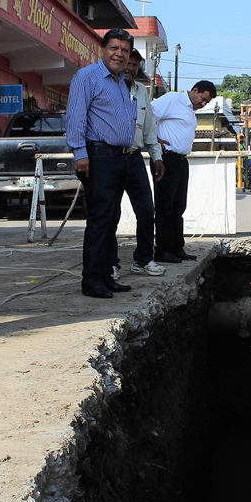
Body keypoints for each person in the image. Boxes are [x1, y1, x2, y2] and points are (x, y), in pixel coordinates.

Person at [65, 28, 146, 299]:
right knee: (100, 219)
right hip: (98, 155)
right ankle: (92, 280)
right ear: (103, 49)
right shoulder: (87, 77)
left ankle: (105, 274)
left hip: (122, 156)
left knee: (112, 218)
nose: (119, 54)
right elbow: (76, 117)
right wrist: (80, 153)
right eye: (114, 48)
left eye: (124, 50)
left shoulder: (122, 82)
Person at [149, 80, 216, 264]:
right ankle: (162, 250)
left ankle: (177, 247)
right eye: (202, 99)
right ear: (195, 90)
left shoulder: (190, 112)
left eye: (206, 103)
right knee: (165, 206)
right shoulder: (173, 99)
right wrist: (155, 140)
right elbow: (147, 115)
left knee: (179, 206)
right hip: (166, 159)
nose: (202, 104)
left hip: (180, 160)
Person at [112, 48, 166, 279]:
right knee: (110, 214)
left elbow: (150, 129)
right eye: (127, 63)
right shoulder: (107, 89)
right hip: (110, 157)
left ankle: (143, 260)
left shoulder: (142, 93)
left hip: (134, 157)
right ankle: (110, 263)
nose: (130, 68)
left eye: (134, 65)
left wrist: (157, 157)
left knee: (146, 211)